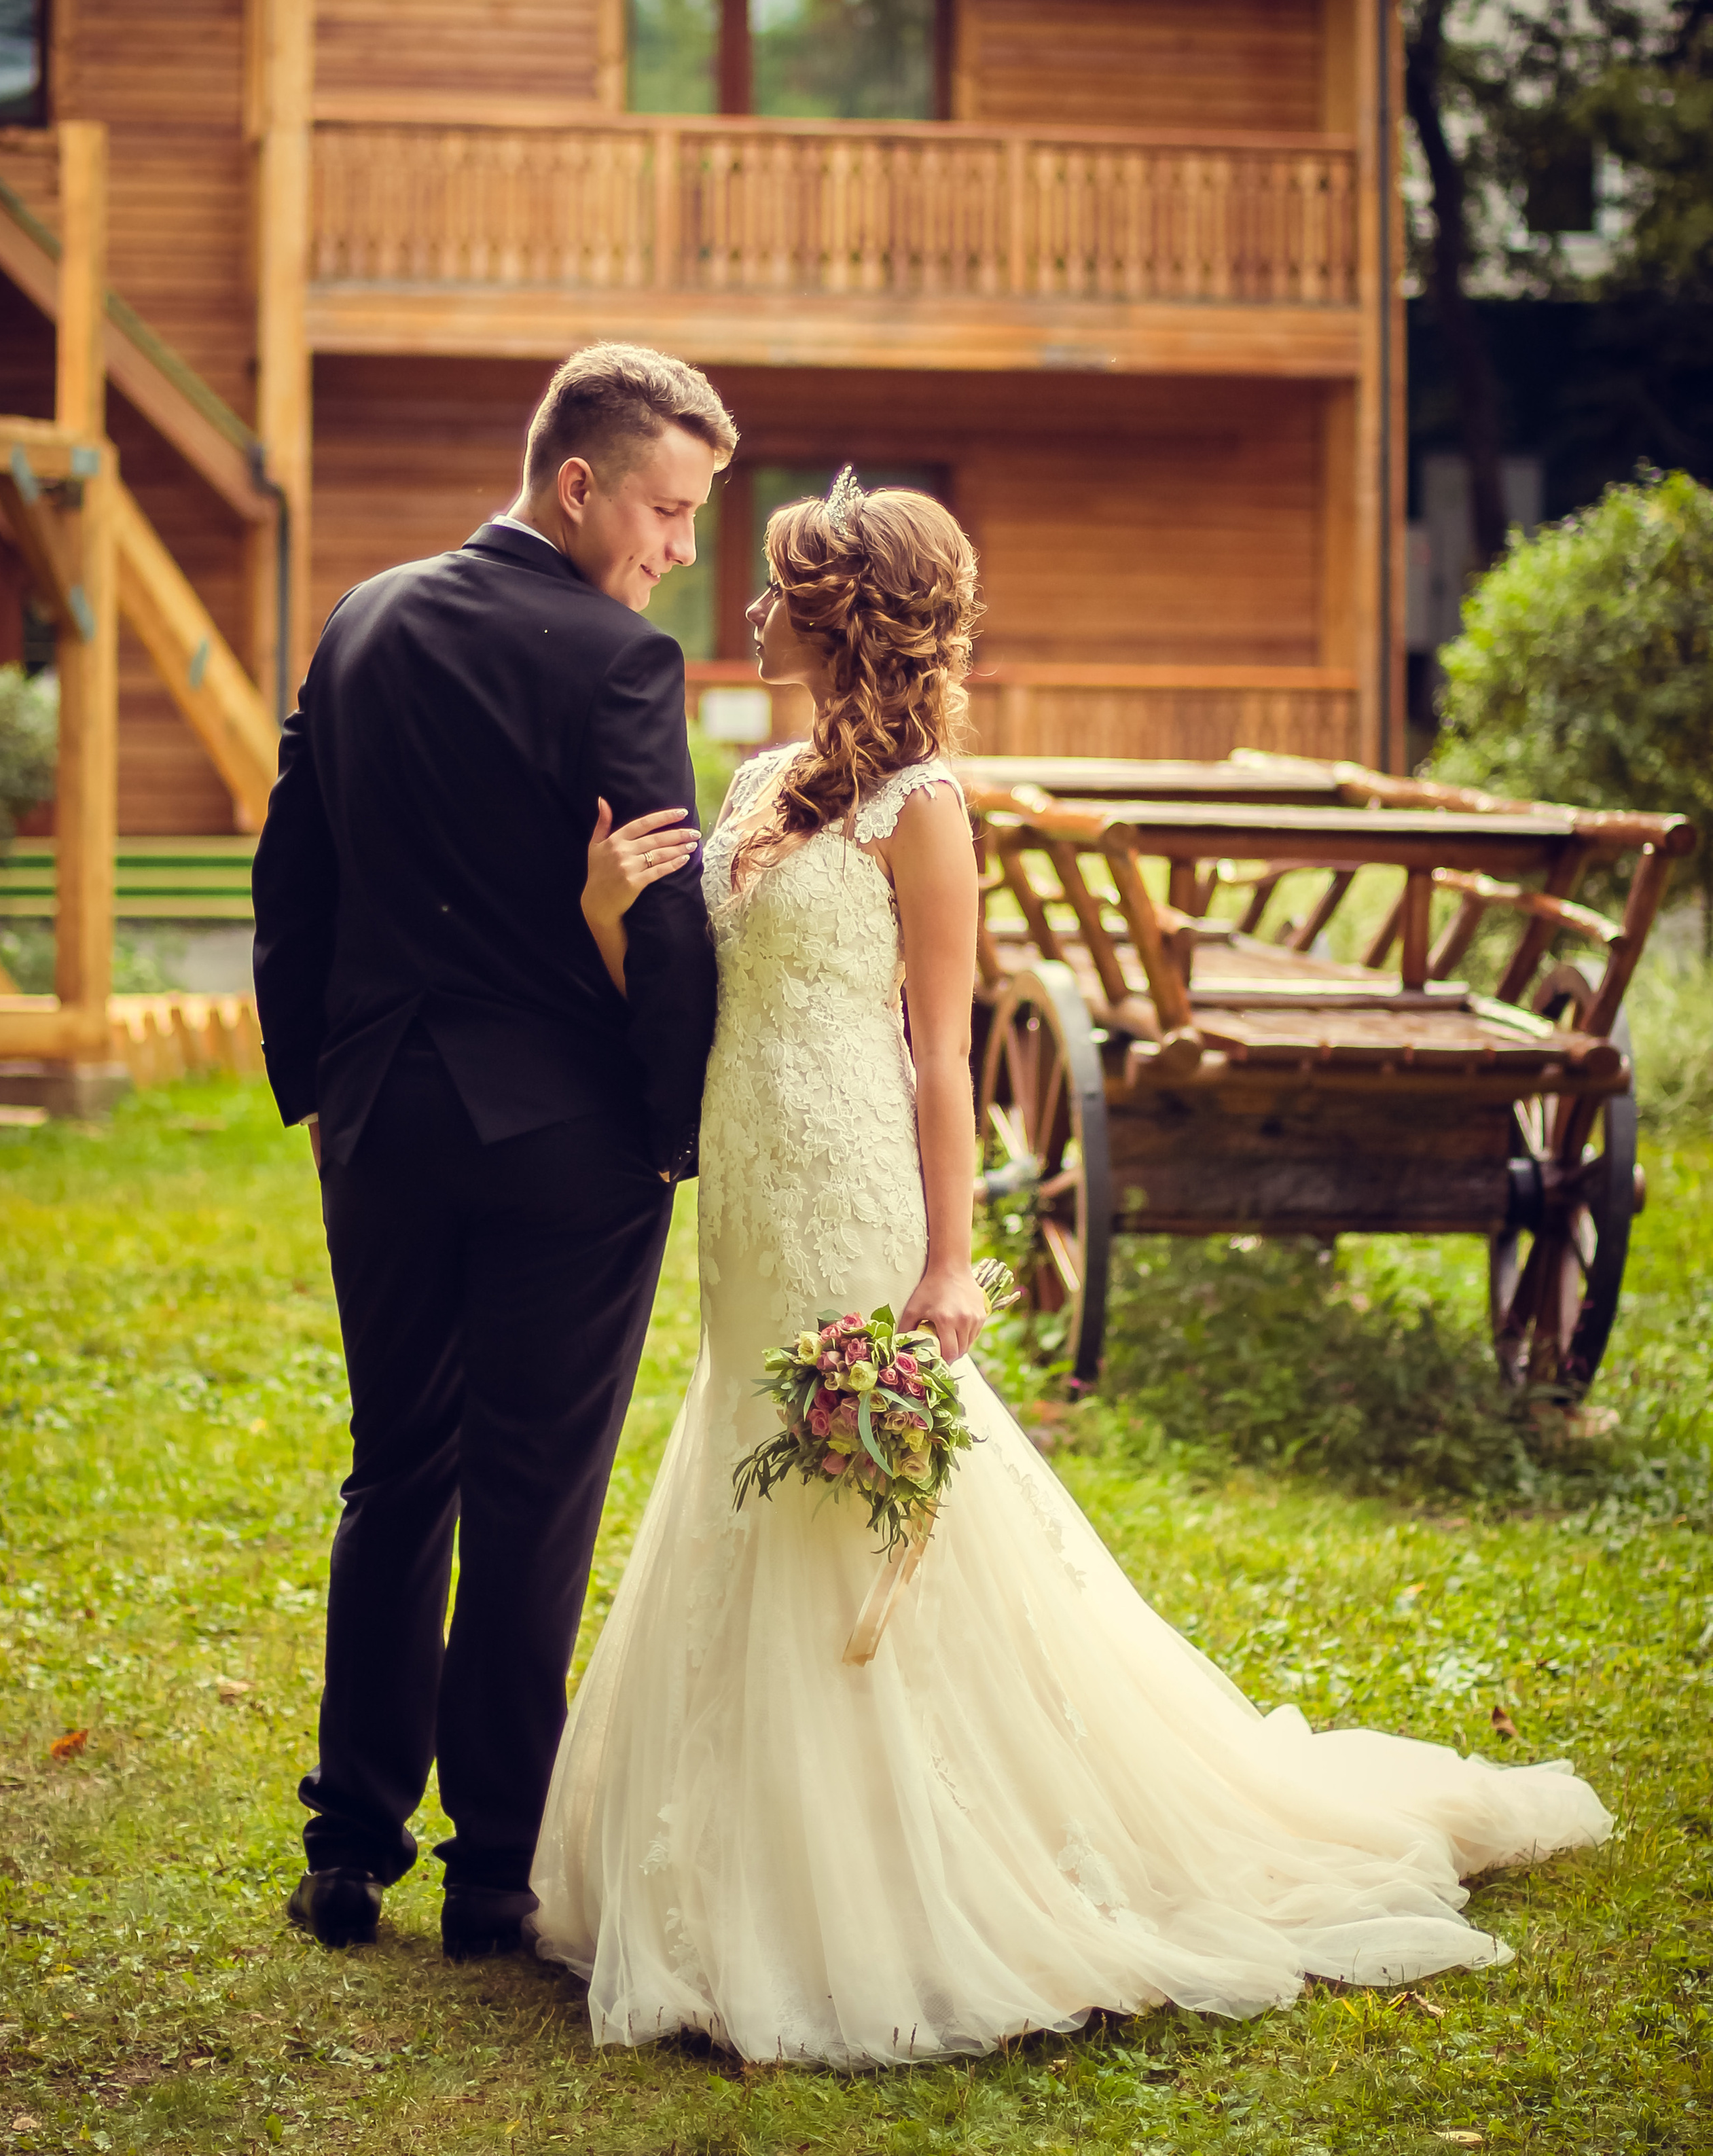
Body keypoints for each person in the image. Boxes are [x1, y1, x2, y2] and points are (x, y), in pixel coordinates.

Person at [528, 469, 1612, 2065]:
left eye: (777, 589)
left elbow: (944, 1055)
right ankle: (721, 1845)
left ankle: (895, 1865)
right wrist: (606, 918)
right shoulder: (756, 785)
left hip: (851, 1193)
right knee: (749, 1471)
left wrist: (954, 1259)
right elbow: (687, 1003)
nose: (747, 608)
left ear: (846, 617)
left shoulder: (928, 810)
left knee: (860, 1502)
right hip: (745, 1201)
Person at [252, 342, 734, 1961]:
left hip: (379, 1118)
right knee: (531, 1499)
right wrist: (673, 1131)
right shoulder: (618, 665)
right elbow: (662, 920)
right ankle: (489, 1879)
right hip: (564, 1145)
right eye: (666, 513)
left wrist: (314, 1081)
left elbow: (290, 870)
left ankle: (348, 1848)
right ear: (579, 480)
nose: (676, 551)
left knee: (396, 1471)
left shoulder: (360, 618)